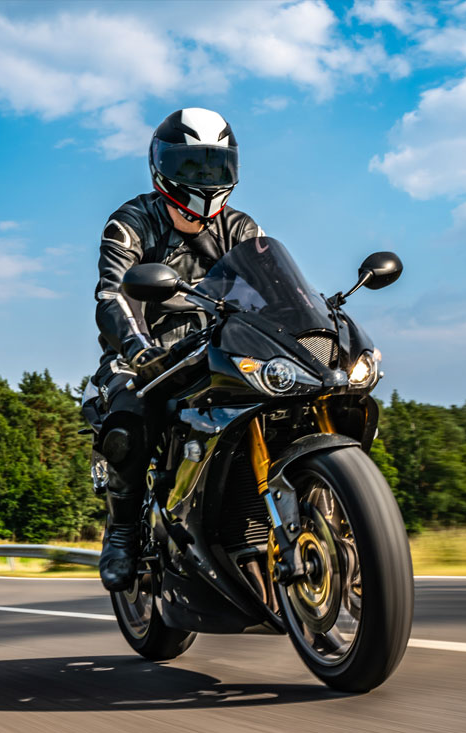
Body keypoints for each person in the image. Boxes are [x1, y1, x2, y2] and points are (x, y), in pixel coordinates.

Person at [91, 107, 264, 591]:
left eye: (215, 166)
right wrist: (138, 349)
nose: (204, 179)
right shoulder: (131, 222)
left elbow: (273, 290)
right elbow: (112, 295)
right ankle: (122, 529)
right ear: (161, 166)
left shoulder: (243, 228)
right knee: (128, 420)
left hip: (220, 347)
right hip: (148, 353)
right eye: (191, 166)